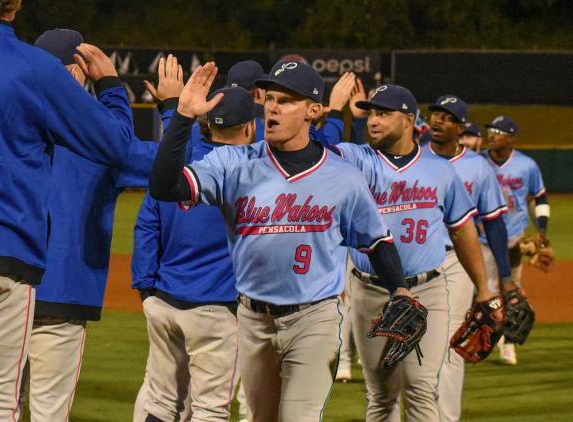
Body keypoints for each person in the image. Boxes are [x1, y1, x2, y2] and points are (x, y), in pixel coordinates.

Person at [149, 61, 415, 421]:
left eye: (287, 100)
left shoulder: (343, 176)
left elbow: (377, 241)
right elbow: (165, 187)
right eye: (270, 98)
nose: (273, 107)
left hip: (314, 318)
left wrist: (399, 289)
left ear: (313, 111)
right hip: (252, 318)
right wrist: (180, 117)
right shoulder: (233, 162)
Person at [0, 2, 135, 420]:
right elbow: (117, 145)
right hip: (2, 253)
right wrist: (112, 89)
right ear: (14, 5)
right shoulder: (34, 68)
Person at [15, 29, 161, 422]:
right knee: (48, 413)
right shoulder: (99, 136)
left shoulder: (8, 121)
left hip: (4, 286)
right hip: (62, 294)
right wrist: (163, 109)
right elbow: (165, 165)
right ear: (79, 72)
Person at [334, 85, 502, 422]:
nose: (373, 121)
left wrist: (485, 289)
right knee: (380, 397)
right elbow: (316, 151)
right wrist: (339, 113)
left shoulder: (440, 170)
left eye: (383, 113)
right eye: (370, 114)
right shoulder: (356, 160)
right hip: (371, 290)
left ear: (409, 120)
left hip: (427, 292)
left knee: (423, 391)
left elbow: (463, 230)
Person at [132, 86, 258, 422]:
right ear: (250, 127)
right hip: (216, 309)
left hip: (163, 302)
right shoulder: (254, 172)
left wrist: (146, 288)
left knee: (159, 403)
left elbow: (146, 223)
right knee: (210, 410)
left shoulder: (177, 164)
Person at [426, 95, 511, 421]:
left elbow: (495, 225)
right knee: (409, 343)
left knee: (450, 345)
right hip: (415, 261)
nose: (438, 121)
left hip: (455, 262)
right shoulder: (414, 158)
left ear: (461, 127)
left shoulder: (477, 167)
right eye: (435, 114)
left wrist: (504, 279)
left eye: (447, 117)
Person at [481, 115, 551, 365]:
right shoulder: (479, 162)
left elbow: (540, 198)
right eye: (490, 131)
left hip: (513, 236)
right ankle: (486, 340)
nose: (492, 135)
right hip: (483, 237)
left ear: (510, 137)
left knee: (513, 290)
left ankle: (508, 343)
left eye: (498, 132)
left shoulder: (526, 165)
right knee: (488, 289)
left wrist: (541, 231)